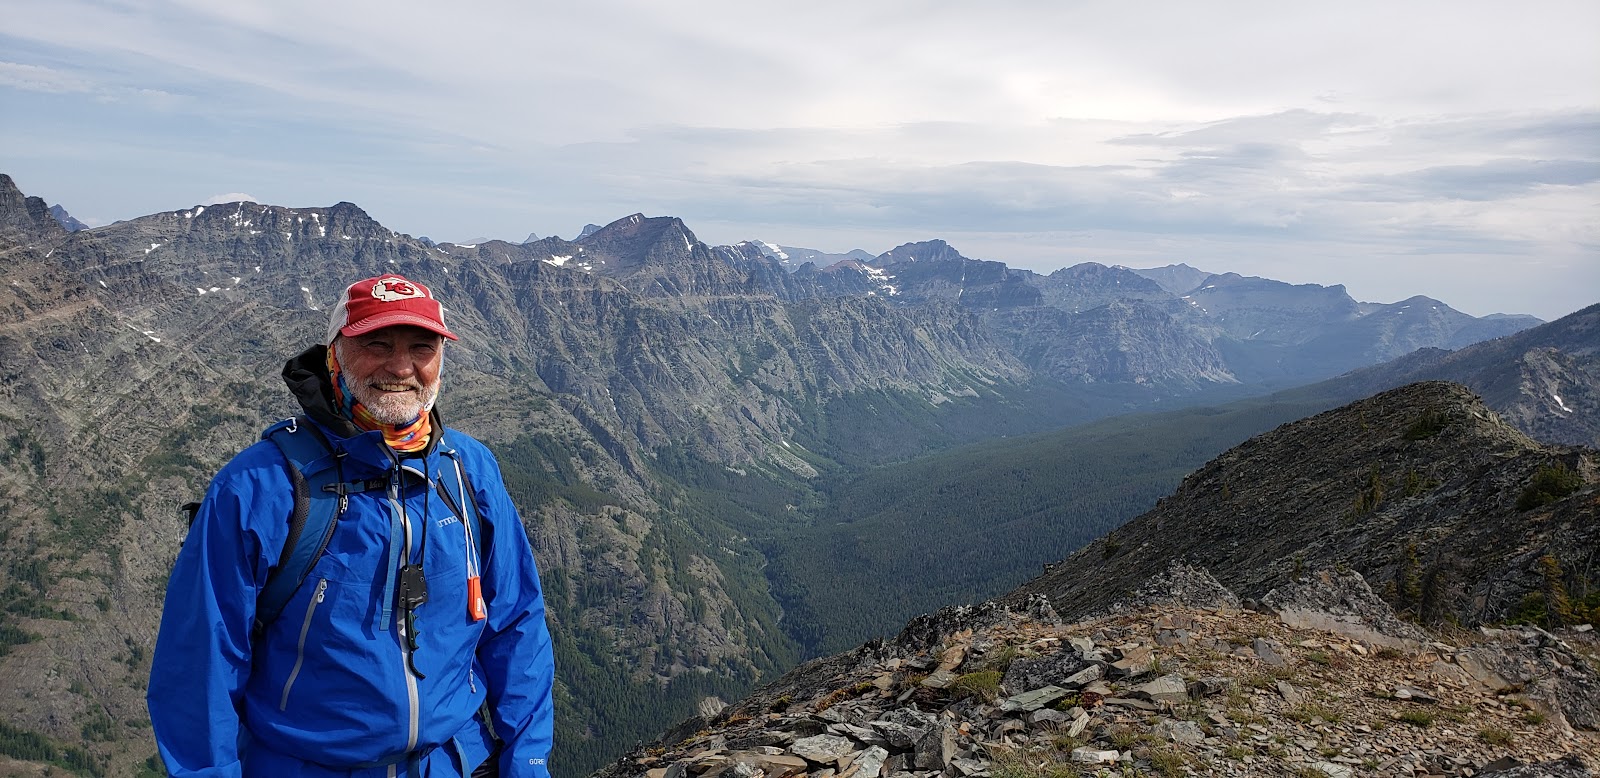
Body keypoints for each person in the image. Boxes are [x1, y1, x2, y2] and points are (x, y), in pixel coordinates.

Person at [148, 274, 555, 777]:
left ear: (440, 362)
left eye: (421, 347)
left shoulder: (470, 470)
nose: (401, 366)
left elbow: (515, 622)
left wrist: (529, 760)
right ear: (334, 356)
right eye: (376, 344)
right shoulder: (258, 487)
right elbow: (200, 662)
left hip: (456, 763)